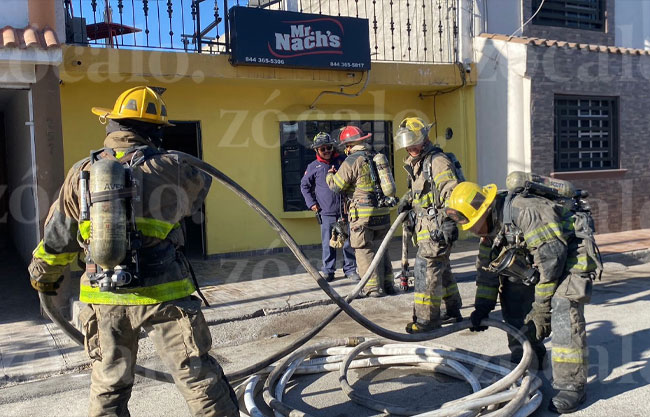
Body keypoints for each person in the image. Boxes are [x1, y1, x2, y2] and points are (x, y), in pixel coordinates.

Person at [27, 86, 239, 417]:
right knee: (198, 381)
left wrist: (44, 274)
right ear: (155, 131)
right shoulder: (174, 167)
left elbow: (59, 234)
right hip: (165, 295)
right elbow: (197, 194)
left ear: (113, 126)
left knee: (109, 386)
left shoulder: (81, 172)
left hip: (104, 298)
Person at [445, 180, 598, 414]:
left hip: (569, 253)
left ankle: (571, 386)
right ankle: (528, 357)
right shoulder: (490, 226)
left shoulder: (526, 212)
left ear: (486, 210)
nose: (473, 231)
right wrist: (482, 307)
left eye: (475, 224)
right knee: (513, 295)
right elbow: (487, 268)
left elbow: (551, 264)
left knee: (562, 307)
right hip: (541, 257)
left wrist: (541, 311)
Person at [393, 117, 462, 334]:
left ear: (424, 139)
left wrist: (450, 221)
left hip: (438, 229)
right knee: (442, 269)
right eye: (407, 144)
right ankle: (451, 309)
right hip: (426, 229)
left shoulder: (437, 161)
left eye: (414, 142)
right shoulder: (417, 163)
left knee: (426, 271)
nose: (410, 148)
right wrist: (407, 199)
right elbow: (422, 193)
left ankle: (427, 320)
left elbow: (452, 191)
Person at [326, 125, 394, 297]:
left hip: (362, 215)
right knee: (381, 249)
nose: (345, 150)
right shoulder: (376, 157)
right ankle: (388, 284)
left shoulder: (351, 161)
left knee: (364, 250)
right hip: (383, 213)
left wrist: (330, 175)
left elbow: (336, 186)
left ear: (349, 146)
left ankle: (372, 288)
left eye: (345, 146)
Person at [300, 132, 359, 282]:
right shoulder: (313, 167)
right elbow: (304, 186)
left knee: (348, 243)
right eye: (322, 149)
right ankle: (328, 271)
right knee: (328, 244)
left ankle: (350, 270)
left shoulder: (343, 161)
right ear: (316, 150)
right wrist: (312, 203)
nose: (326, 151)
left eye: (328, 148)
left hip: (345, 211)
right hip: (326, 213)